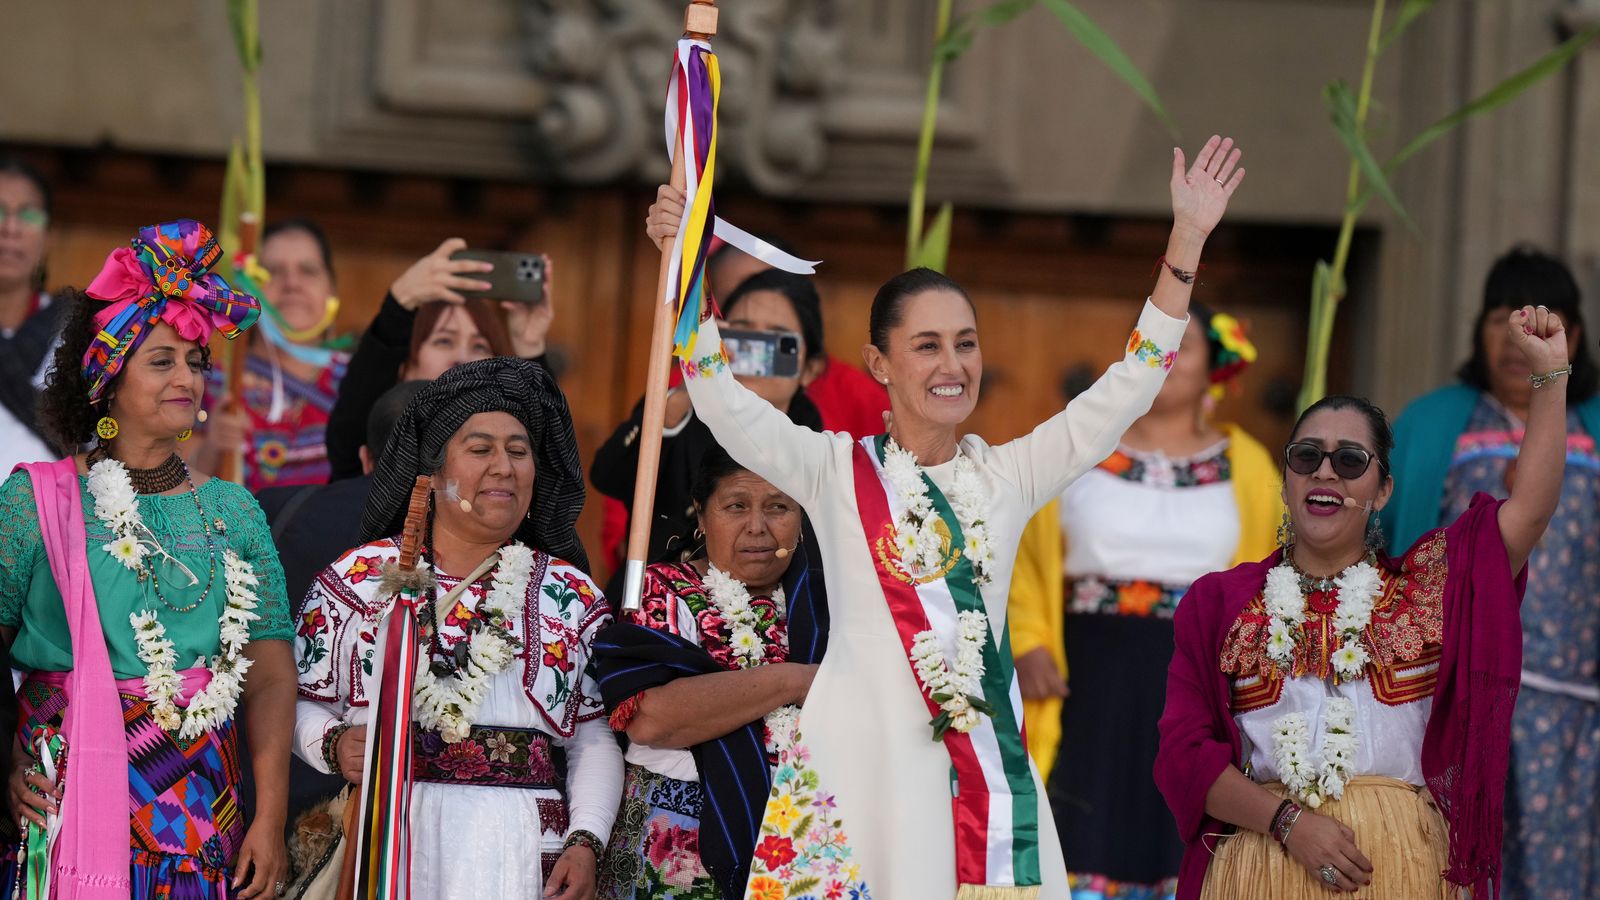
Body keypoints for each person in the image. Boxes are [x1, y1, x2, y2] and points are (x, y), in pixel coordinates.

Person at [647, 135, 1247, 897]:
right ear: (879, 365)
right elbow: (717, 394)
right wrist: (679, 260)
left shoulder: (1009, 476)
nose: (952, 364)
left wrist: (1186, 242)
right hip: (855, 772)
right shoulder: (832, 470)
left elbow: (1128, 386)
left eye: (965, 344)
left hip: (973, 783)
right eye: (926, 346)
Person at [1154, 306, 1570, 898]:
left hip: (1400, 865)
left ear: (1383, 491)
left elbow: (1528, 509)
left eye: (1350, 461)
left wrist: (1549, 378)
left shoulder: (1431, 585)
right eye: (1306, 457)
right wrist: (1288, 823)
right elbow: (1186, 758)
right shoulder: (1219, 604)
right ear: (1287, 478)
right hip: (1264, 864)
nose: (1326, 473)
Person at [0, 220, 295, 898]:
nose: (187, 378)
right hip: (61, 800)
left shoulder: (235, 510)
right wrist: (4, 762)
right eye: (162, 361)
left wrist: (270, 818)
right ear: (107, 381)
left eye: (196, 362)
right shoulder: (35, 501)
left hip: (199, 808)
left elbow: (272, 673)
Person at [293, 357, 622, 898]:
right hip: (389, 840)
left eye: (519, 451)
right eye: (480, 449)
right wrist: (329, 745)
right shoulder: (357, 577)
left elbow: (594, 733)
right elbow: (296, 698)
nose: (504, 466)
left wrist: (586, 840)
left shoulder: (571, 595)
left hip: (520, 850)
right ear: (436, 473)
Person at [1027, 303, 1281, 899]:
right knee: (1074, 832)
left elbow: (1271, 582)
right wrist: (1027, 641)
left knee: (1181, 835)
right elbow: (1020, 556)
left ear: (1214, 368)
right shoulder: (1077, 444)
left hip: (1196, 679)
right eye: (1152, 342)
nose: (1165, 357)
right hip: (1084, 678)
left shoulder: (1249, 467)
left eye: (1182, 345)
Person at [1379, 247, 1600, 899]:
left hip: (1576, 706)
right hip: (1454, 690)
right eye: (1503, 319)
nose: (1516, 340)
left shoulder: (1593, 430)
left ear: (1573, 338)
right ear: (1480, 329)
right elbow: (1389, 542)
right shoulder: (1431, 422)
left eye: (1537, 322)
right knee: (1450, 863)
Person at [592, 445, 828, 899]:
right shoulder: (661, 591)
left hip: (805, 846)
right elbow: (651, 717)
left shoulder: (829, 606)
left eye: (778, 507)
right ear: (701, 515)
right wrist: (795, 680)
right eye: (736, 506)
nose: (757, 527)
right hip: (677, 851)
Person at [592, 270, 826, 578]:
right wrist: (697, 379)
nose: (755, 352)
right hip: (661, 608)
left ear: (810, 368)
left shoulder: (820, 454)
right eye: (743, 335)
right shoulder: (678, 407)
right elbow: (608, 475)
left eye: (775, 341)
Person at [324, 238, 552, 481]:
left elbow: (550, 467)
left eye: (479, 346)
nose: (462, 358)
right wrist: (399, 304)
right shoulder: (375, 457)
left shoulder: (507, 461)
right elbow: (346, 441)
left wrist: (529, 347)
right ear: (406, 367)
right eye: (444, 341)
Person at [192, 218, 350, 491]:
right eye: (272, 272)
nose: (291, 283)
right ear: (245, 291)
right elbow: (174, 491)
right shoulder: (208, 384)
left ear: (331, 290)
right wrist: (212, 446)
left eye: (308, 270)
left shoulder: (360, 380)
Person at [705, 239, 890, 438]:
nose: (756, 346)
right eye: (743, 328)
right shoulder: (682, 391)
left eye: (776, 335)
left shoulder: (862, 401)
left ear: (811, 368)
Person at [0, 156, 65, 472]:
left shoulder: (79, 334)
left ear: (48, 238)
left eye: (27, 215)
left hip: (51, 519)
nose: (9, 228)